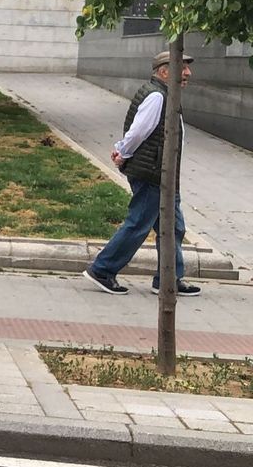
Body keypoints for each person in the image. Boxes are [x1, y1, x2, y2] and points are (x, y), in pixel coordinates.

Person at [84, 51, 202, 297]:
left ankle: (168, 278)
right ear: (164, 72)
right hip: (153, 172)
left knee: (174, 227)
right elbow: (139, 131)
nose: (188, 73)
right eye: (183, 68)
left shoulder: (165, 94)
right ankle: (102, 270)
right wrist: (122, 151)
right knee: (138, 224)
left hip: (162, 172)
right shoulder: (157, 96)